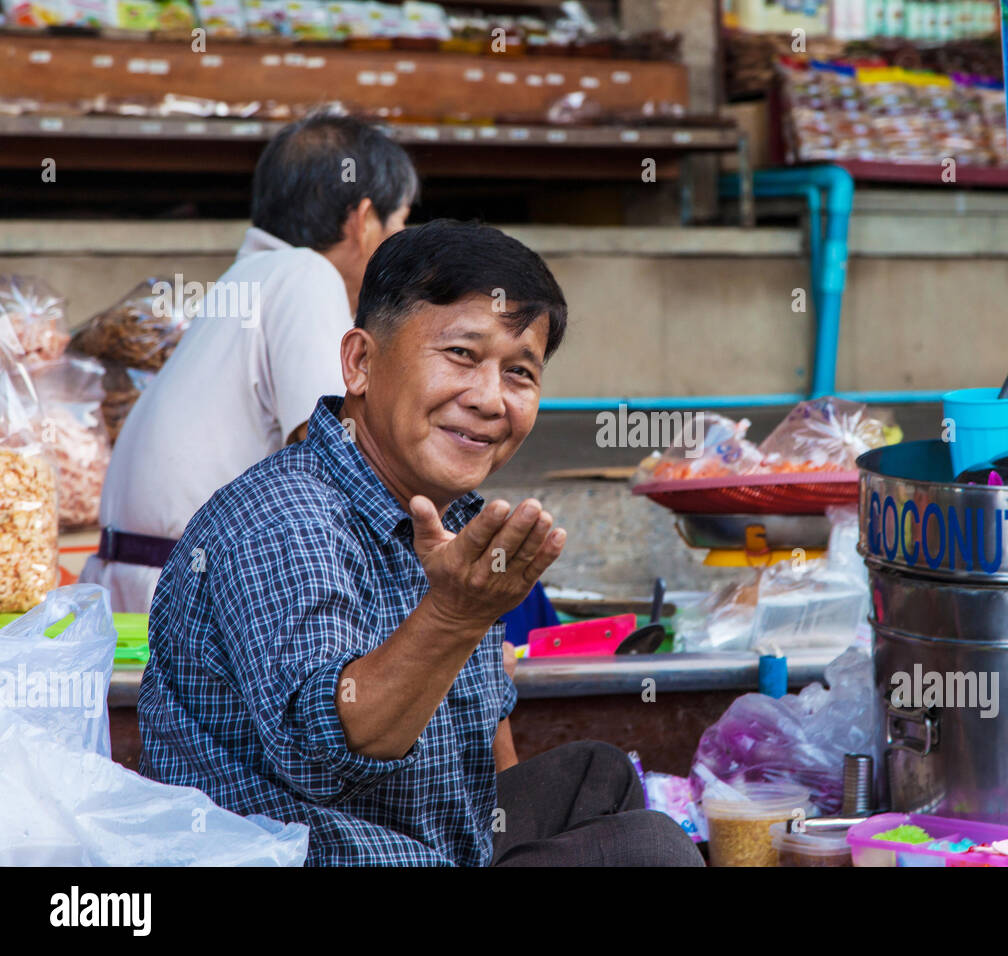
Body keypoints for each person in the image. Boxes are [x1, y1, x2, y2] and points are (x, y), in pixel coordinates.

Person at [137, 219, 703, 867]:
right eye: (462, 355)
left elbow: (488, 740)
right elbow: (326, 757)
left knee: (595, 778)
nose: (491, 399)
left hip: (431, 845)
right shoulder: (283, 516)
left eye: (520, 371)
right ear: (360, 362)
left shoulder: (456, 516)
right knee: (651, 851)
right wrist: (455, 615)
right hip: (310, 856)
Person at [81, 113, 417, 614]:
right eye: (401, 223)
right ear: (364, 221)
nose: (401, 239)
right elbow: (336, 452)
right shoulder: (306, 273)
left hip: (148, 583)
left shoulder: (251, 277)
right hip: (193, 598)